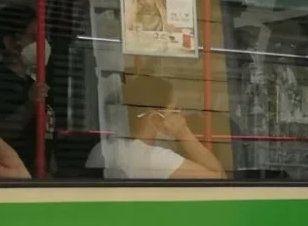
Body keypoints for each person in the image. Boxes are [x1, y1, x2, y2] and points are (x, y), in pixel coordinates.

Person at [86, 75, 224, 180]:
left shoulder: (102, 149)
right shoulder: (156, 160)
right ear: (154, 118)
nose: (180, 117)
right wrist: (184, 133)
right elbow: (219, 178)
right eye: (174, 111)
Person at [0, 5, 52, 174]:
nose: (43, 45)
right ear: (10, 43)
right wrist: (30, 105)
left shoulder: (30, 82)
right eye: (34, 38)